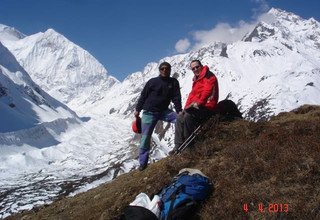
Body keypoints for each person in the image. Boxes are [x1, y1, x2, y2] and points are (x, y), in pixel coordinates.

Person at [134, 61, 182, 171]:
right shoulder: (152, 82)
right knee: (145, 138)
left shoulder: (174, 82)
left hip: (164, 111)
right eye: (162, 68)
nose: (165, 70)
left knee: (181, 120)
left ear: (170, 70)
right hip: (149, 112)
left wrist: (179, 111)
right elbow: (143, 96)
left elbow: (176, 98)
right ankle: (143, 163)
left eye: (167, 68)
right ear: (159, 70)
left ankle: (181, 145)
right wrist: (138, 109)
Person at [171, 60, 219, 154]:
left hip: (208, 107)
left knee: (188, 116)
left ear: (201, 66)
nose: (195, 69)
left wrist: (198, 103)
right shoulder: (197, 79)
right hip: (198, 106)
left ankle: (188, 147)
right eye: (193, 68)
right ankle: (178, 145)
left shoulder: (209, 76)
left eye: (197, 67)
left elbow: (207, 92)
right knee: (180, 117)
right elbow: (192, 95)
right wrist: (185, 108)